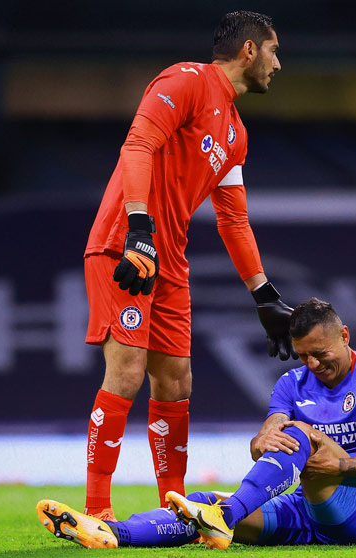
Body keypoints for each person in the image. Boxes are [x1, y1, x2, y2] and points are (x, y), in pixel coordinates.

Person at [79, 10, 298, 521]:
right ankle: (96, 509)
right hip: (126, 242)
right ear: (249, 50)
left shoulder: (236, 134)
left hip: (170, 259)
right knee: (128, 371)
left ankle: (172, 510)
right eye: (273, 51)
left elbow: (233, 220)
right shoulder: (187, 81)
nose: (278, 64)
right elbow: (137, 146)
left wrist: (263, 295)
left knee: (176, 382)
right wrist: (138, 229)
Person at [37, 298, 356, 549]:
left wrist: (339, 465)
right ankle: (111, 533)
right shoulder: (290, 385)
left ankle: (225, 517)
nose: (312, 364)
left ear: (344, 337)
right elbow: (263, 443)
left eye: (321, 354)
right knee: (197, 504)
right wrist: (263, 438)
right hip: (302, 508)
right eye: (303, 356)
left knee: (299, 436)